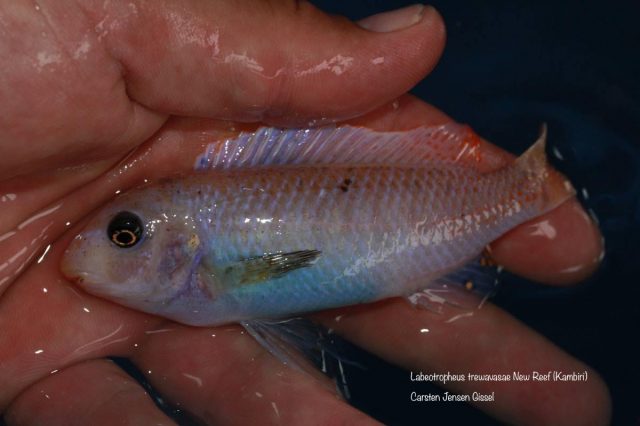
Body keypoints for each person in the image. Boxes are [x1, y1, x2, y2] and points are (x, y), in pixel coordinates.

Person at [0, 1, 610, 424]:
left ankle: (530, 189)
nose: (98, 249)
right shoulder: (197, 250)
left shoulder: (206, 262)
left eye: (124, 234)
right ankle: (534, 189)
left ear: (180, 245)